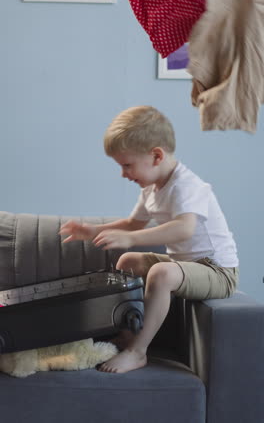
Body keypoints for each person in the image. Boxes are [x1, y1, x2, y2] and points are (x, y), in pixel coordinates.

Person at [59, 105, 239, 374]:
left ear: (156, 155)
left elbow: (184, 229)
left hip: (217, 270)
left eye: (127, 165)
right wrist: (92, 230)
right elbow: (132, 223)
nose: (124, 174)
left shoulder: (187, 186)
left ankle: (138, 351)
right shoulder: (152, 189)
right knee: (128, 261)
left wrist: (131, 238)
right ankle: (128, 334)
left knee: (161, 273)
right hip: (187, 264)